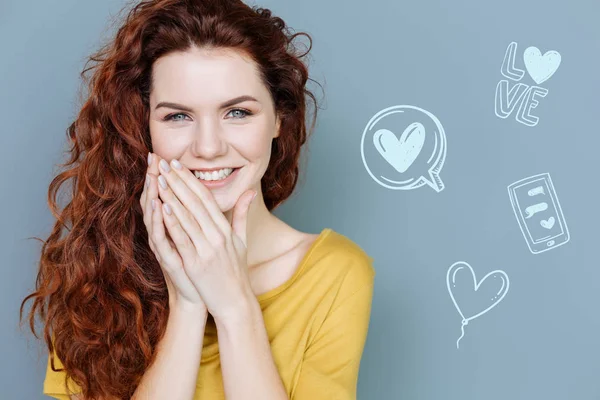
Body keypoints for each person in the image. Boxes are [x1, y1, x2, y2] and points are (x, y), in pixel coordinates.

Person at [19, 0, 376, 399]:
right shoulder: (94, 269)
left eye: (237, 112)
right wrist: (187, 304)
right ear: (145, 128)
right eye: (177, 116)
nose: (208, 148)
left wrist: (235, 306)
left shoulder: (335, 273)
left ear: (279, 118)